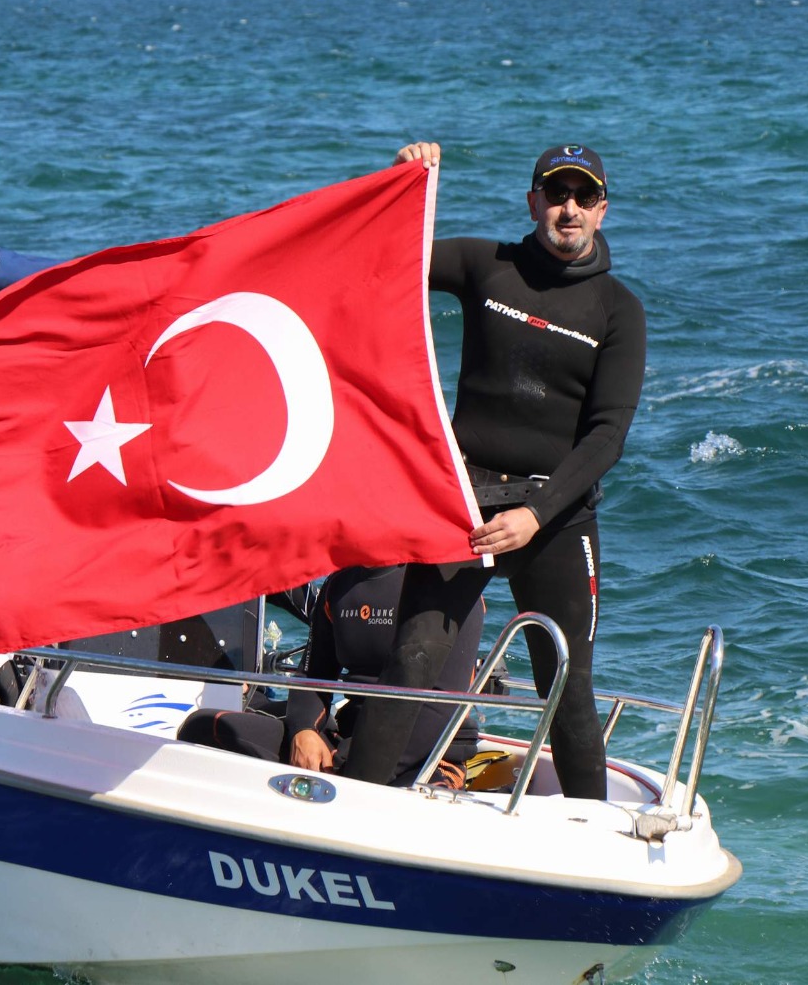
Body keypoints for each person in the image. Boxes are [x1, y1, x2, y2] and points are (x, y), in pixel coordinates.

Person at [336, 141, 646, 800]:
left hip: (556, 514)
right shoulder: (489, 267)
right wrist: (408, 182)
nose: (569, 209)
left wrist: (535, 514)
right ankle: (359, 809)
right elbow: (388, 257)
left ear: (602, 212)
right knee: (412, 661)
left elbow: (607, 434)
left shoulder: (619, 312)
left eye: (583, 198)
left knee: (563, 682)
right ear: (533, 202)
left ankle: (587, 829)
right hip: (464, 501)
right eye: (556, 194)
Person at [177, 565, 486, 788]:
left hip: (428, 759)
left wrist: (350, 765)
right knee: (203, 728)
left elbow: (443, 705)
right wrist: (304, 732)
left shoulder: (451, 590)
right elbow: (313, 674)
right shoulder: (341, 585)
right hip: (342, 744)